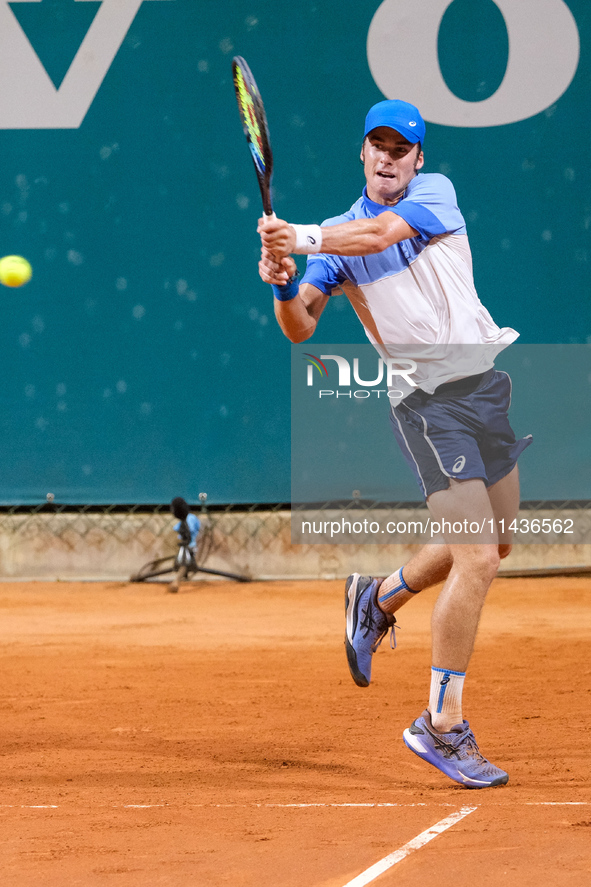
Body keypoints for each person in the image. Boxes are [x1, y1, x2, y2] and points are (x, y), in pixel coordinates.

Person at [257, 99, 531, 789]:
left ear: (417, 159)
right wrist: (284, 280)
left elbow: (379, 235)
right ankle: (439, 724)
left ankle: (375, 598)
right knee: (476, 561)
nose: (387, 158)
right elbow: (299, 329)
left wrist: (299, 238)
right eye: (376, 146)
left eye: (399, 149)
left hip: (483, 389)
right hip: (425, 403)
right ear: (361, 154)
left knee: (497, 540)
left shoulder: (430, 197)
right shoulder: (335, 240)